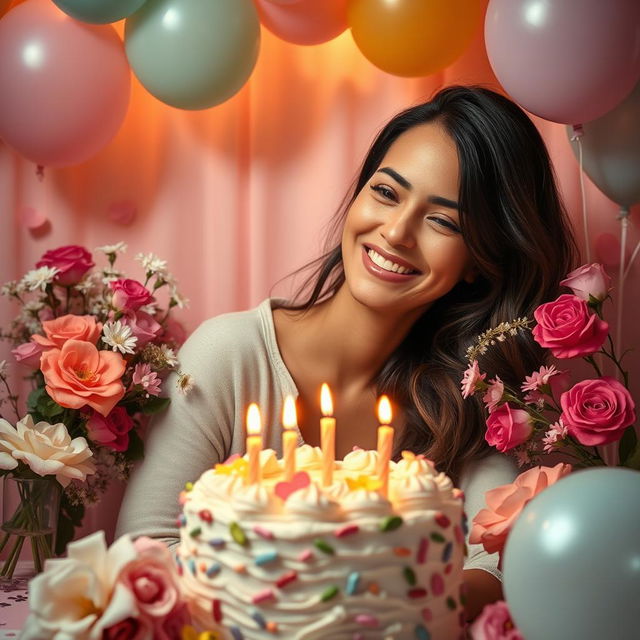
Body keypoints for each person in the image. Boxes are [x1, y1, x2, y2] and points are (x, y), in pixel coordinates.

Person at [115, 85, 577, 620]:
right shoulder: (230, 356)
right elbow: (145, 549)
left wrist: (368, 601)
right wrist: (328, 597)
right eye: (386, 192)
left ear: (480, 259)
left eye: (444, 221)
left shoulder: (466, 398)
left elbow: (502, 559)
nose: (396, 232)